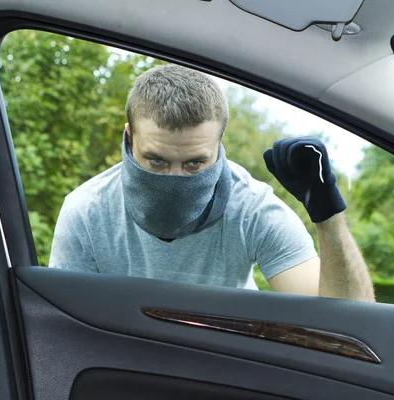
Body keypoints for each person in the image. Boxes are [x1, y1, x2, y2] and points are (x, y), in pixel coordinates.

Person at [49, 64, 375, 302]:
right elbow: (68, 327)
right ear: (129, 137)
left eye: (194, 163)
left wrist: (327, 213)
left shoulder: (251, 207)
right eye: (156, 161)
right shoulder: (87, 211)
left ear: (218, 145)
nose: (174, 179)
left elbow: (344, 321)